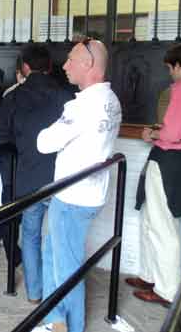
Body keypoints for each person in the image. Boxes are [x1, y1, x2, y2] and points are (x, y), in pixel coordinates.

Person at [34, 38, 122, 332]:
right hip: (90, 193)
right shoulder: (112, 101)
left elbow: (44, 143)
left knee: (67, 268)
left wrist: (50, 128)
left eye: (71, 59)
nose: (64, 65)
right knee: (53, 254)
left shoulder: (82, 106)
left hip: (72, 198)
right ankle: (53, 319)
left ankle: (71, 327)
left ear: (89, 64)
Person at [127, 43, 181, 307]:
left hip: (167, 161)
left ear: (178, 65)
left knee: (162, 227)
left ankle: (166, 291)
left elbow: (173, 133)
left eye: (169, 68)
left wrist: (150, 133)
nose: (169, 73)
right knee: (154, 222)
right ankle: (148, 275)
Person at [0, 44, 74, 304]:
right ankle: (60, 291)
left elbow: (2, 137)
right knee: (62, 236)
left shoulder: (13, 97)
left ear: (24, 67)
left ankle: (34, 293)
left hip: (26, 176)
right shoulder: (66, 95)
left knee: (30, 234)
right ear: (50, 67)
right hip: (61, 176)